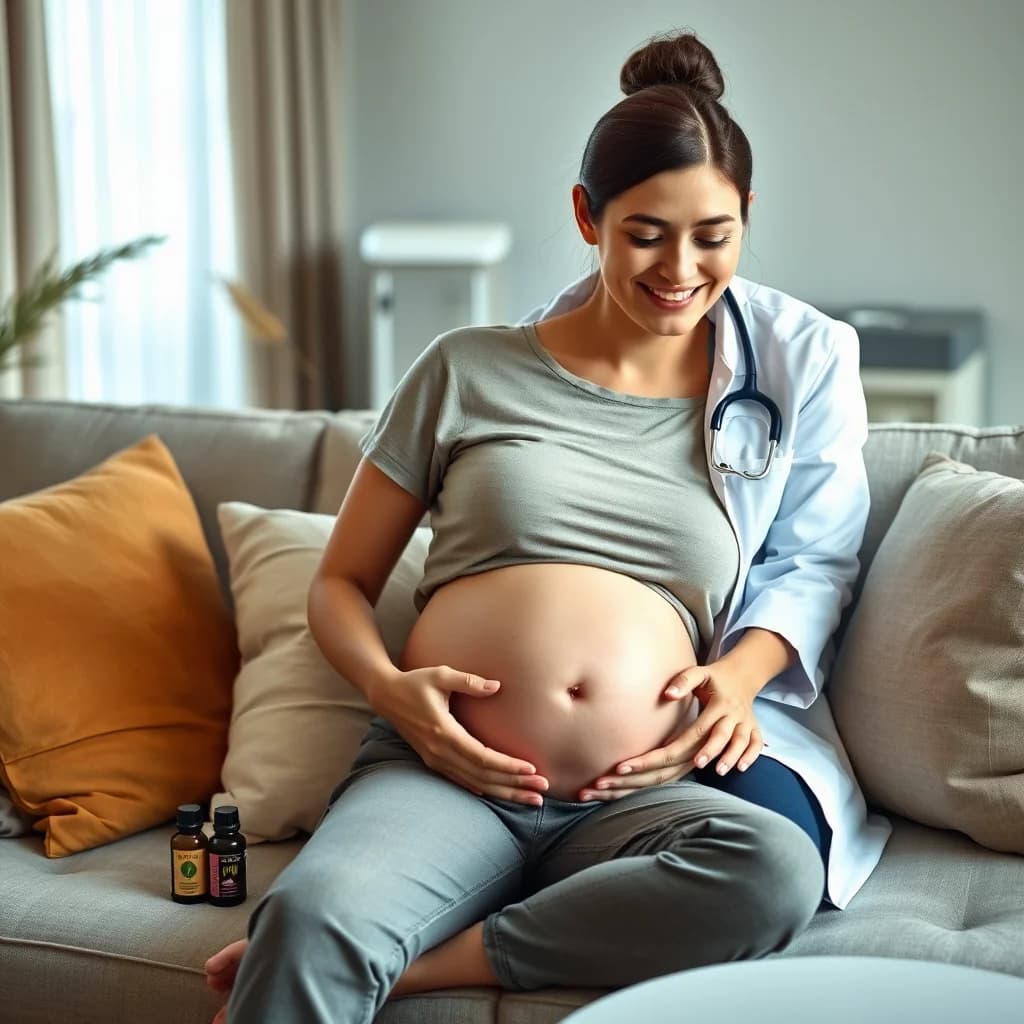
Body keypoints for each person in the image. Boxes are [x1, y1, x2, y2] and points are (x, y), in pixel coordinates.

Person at [205, 28, 891, 1024]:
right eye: (645, 231)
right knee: (311, 912)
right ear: (586, 216)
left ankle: (429, 960)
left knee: (772, 869)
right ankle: (356, 940)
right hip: (453, 776)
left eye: (713, 233)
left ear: (746, 220)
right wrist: (392, 692)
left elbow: (816, 561)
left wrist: (734, 681)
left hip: (643, 786)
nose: (681, 267)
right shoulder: (466, 368)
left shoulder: (786, 367)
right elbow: (340, 582)